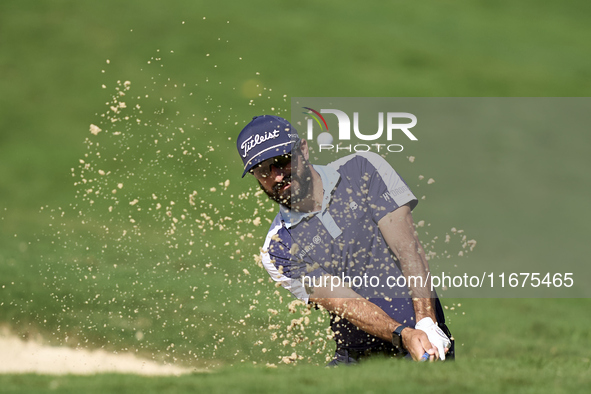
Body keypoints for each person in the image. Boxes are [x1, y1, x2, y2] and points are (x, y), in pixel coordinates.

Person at [237, 115, 453, 365]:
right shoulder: (278, 247)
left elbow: (407, 248)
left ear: (303, 150)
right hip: (358, 356)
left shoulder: (362, 169)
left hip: (427, 342)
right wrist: (403, 335)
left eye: (283, 161)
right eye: (263, 170)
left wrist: (427, 323)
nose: (276, 176)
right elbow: (345, 302)